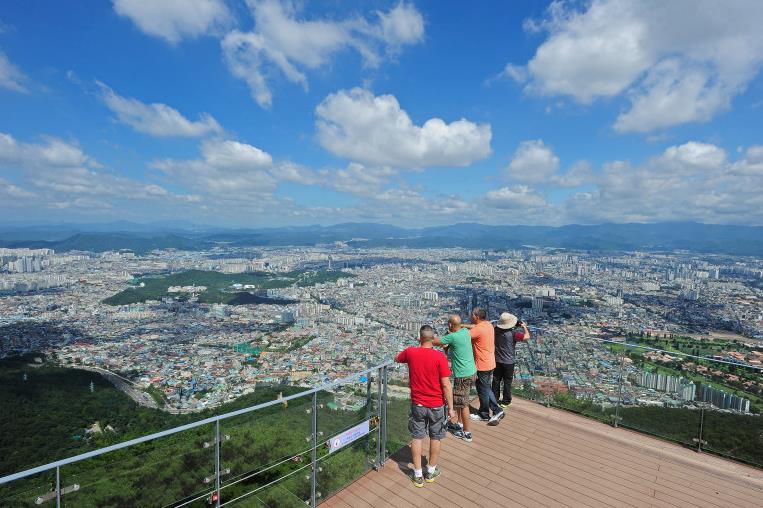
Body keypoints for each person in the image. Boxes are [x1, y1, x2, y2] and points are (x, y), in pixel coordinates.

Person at [395, 325, 457, 487]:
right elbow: (446, 385)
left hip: (418, 404)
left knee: (417, 438)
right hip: (437, 404)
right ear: (434, 338)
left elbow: (397, 358)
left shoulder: (410, 352)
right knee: (435, 437)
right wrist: (451, 408)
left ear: (420, 337)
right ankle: (430, 471)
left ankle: (417, 475)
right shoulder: (440, 357)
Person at [433, 315, 477, 442]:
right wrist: (461, 325)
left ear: (449, 325)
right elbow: (472, 326)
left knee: (463, 404)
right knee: (460, 400)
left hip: (462, 375)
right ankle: (460, 423)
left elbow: (435, 341)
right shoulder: (465, 332)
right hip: (472, 371)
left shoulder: (452, 337)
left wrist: (426, 336)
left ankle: (467, 433)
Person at [465, 308, 504, 425]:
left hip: (482, 364)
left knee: (483, 390)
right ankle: (491, 412)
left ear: (476, 316)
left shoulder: (478, 329)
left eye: (472, 314)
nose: (470, 316)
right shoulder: (488, 325)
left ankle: (489, 412)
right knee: (485, 387)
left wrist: (455, 329)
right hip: (490, 362)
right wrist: (463, 325)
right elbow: (474, 327)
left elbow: (463, 337)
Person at [493, 312, 530, 408]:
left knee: (496, 380)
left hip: (497, 360)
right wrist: (524, 327)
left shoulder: (495, 330)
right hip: (509, 362)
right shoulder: (513, 334)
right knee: (507, 382)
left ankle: (494, 399)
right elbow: (527, 337)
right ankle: (505, 401)